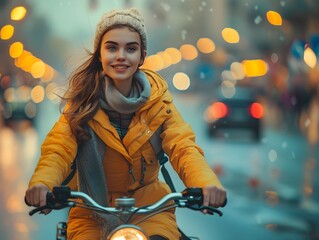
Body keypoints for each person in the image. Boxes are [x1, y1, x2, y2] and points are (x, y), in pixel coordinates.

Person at [25, 7, 227, 240]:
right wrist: (42, 184)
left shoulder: (160, 103)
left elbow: (183, 147)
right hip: (91, 212)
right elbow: (58, 149)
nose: (121, 55)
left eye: (131, 49)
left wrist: (206, 183)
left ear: (142, 56)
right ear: (99, 55)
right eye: (112, 47)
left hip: (150, 211)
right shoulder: (81, 106)